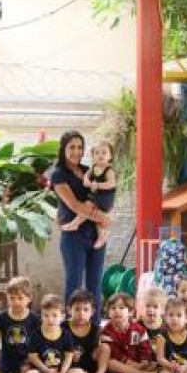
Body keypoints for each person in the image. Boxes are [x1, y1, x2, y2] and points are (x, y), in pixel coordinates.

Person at [52, 131, 112, 312]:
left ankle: (94, 327)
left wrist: (104, 217)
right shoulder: (58, 175)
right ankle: (70, 327)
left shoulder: (89, 171)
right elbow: (75, 205)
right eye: (71, 147)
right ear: (63, 149)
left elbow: (104, 196)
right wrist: (102, 218)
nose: (76, 151)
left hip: (96, 235)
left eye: (80, 147)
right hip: (73, 236)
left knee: (95, 284)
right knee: (74, 284)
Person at [60, 140, 116, 249]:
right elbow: (86, 177)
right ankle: (102, 236)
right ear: (93, 156)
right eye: (97, 153)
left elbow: (111, 184)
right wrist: (86, 181)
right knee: (96, 219)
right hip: (96, 197)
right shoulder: (93, 168)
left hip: (105, 198)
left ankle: (75, 223)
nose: (100, 155)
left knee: (87, 206)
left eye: (104, 153)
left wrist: (98, 185)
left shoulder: (109, 171)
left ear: (110, 156)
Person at [24, 294, 87, 373]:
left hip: (62, 371)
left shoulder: (66, 335)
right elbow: (33, 357)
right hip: (42, 371)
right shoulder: (35, 335)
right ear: (41, 316)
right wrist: (46, 370)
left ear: (62, 317)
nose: (50, 319)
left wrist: (63, 371)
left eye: (54, 315)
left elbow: (68, 356)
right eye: (46, 315)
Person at [0, 275, 41, 373]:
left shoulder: (34, 319)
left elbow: (39, 343)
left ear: (29, 298)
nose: (16, 302)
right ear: (7, 297)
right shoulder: (1, 317)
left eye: (20, 298)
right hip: (6, 358)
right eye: (12, 298)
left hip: (26, 359)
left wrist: (31, 359)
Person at [100, 293, 159, 373]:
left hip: (138, 362)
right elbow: (112, 351)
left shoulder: (139, 329)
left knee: (154, 364)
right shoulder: (106, 331)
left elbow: (145, 346)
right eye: (113, 308)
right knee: (110, 363)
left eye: (121, 308)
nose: (117, 311)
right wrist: (126, 361)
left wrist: (144, 361)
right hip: (120, 362)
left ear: (131, 312)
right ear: (109, 313)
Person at [63, 289, 111, 373]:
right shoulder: (63, 327)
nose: (81, 313)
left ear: (92, 312)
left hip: (89, 362)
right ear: (69, 310)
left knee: (105, 347)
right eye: (77, 309)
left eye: (86, 310)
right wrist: (69, 353)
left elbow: (97, 347)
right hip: (71, 364)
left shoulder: (95, 329)